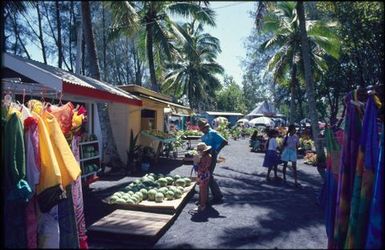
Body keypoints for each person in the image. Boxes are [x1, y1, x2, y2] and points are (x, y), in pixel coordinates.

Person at [198, 119, 228, 204]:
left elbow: (224, 141)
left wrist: (217, 151)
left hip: (212, 155)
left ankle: (210, 198)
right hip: (205, 156)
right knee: (207, 175)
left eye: (202, 129)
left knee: (208, 175)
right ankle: (212, 197)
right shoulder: (204, 136)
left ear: (205, 127)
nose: (202, 131)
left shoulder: (213, 133)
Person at [192, 142, 212, 212]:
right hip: (203, 175)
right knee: (203, 190)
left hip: (203, 175)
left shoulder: (206, 157)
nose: (199, 152)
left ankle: (202, 205)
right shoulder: (207, 156)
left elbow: (203, 168)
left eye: (199, 151)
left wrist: (196, 164)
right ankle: (204, 203)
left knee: (202, 190)